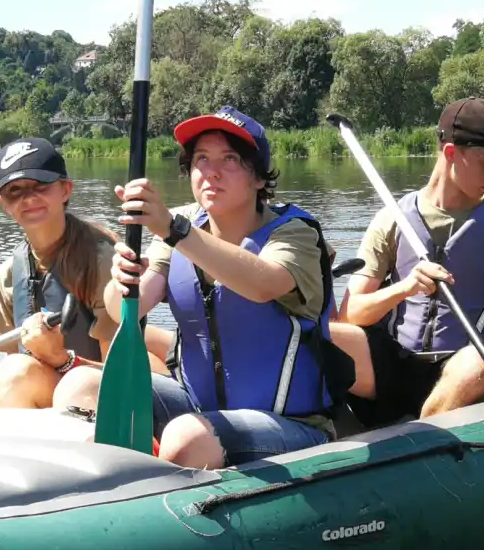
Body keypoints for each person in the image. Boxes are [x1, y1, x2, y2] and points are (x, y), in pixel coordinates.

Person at [53, 106, 368, 468]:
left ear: (259, 178)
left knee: (188, 437)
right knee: (80, 386)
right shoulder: (181, 223)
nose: (211, 172)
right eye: (201, 159)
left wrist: (173, 230)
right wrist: (123, 280)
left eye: (230, 159)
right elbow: (127, 308)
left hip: (292, 427)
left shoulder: (294, 232)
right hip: (196, 408)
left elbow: (263, 283)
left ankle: (162, 475)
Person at [337, 97, 484, 426]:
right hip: (394, 361)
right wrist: (403, 289)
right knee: (325, 336)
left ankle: (419, 441)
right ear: (451, 153)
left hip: (464, 366)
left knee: (483, 362)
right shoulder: (392, 219)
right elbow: (351, 315)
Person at [0, 137, 168, 423]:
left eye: (41, 186)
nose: (28, 198)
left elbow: (125, 377)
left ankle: (22, 461)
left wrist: (61, 358)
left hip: (90, 396)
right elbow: (9, 365)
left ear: (65, 189)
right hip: (29, 393)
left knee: (17, 373)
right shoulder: (8, 277)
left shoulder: (104, 262)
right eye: (15, 191)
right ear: (3, 203)